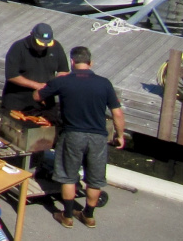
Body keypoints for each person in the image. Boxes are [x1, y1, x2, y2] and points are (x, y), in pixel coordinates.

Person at [37, 45, 126, 229]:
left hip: (73, 134)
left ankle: (67, 216)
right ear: (90, 63)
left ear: (72, 62)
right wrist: (120, 135)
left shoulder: (64, 81)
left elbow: (37, 95)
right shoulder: (104, 83)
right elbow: (117, 114)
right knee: (95, 178)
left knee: (69, 176)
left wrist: (47, 86)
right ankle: (89, 216)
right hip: (98, 137)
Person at [2, 22, 70, 116]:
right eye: (40, 43)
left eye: (47, 44)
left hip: (45, 100)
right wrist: (37, 85)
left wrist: (54, 86)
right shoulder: (18, 47)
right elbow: (11, 75)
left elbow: (63, 70)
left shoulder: (56, 47)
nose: (43, 46)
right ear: (32, 35)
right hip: (18, 101)